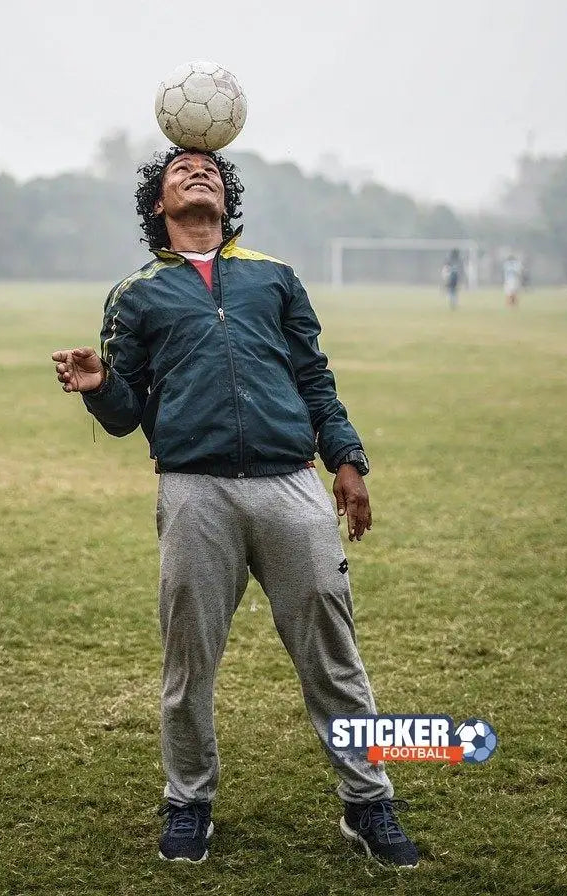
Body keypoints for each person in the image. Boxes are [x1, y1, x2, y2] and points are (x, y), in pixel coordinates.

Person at [51, 147, 419, 869]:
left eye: (211, 169)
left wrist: (346, 460)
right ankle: (188, 802)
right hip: (194, 491)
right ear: (157, 204)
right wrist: (98, 385)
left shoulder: (274, 277)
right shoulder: (137, 294)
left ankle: (367, 801)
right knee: (188, 660)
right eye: (181, 169)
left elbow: (314, 377)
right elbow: (126, 416)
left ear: (227, 197)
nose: (199, 173)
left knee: (333, 653)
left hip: (291, 484)